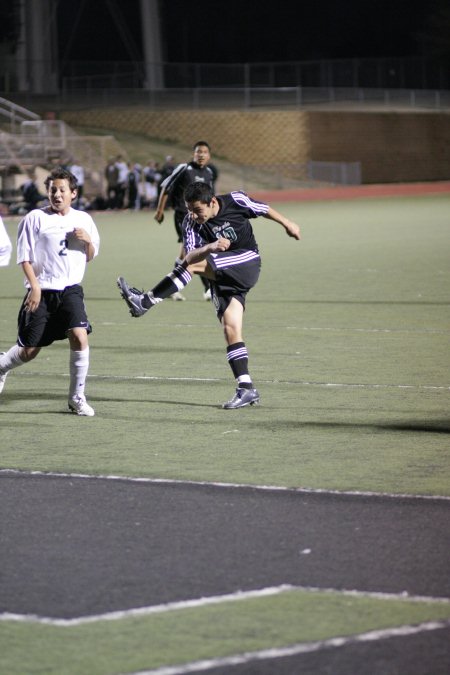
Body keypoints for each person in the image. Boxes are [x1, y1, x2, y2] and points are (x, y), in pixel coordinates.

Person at [117, 182, 300, 409]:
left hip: (246, 261)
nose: (193, 215)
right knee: (231, 327)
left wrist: (287, 223)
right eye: (189, 210)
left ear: (212, 202)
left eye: (197, 210)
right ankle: (246, 388)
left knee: (193, 270)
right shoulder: (190, 222)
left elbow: (262, 209)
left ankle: (144, 302)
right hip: (221, 271)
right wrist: (210, 247)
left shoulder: (235, 201)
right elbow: (190, 256)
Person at [0, 167, 100, 416]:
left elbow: (90, 256)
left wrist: (87, 240)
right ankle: (2, 366)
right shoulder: (35, 218)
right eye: (52, 189)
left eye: (62, 190)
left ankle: (76, 397)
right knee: (29, 350)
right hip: (42, 290)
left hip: (70, 290)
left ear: (73, 194)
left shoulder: (84, 219)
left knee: (79, 335)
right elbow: (24, 257)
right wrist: (34, 287)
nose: (56, 194)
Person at [154, 141, 217, 301]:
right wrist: (160, 210)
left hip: (202, 219)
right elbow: (166, 187)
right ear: (193, 154)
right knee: (193, 251)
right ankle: (204, 288)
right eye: (198, 152)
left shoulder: (209, 172)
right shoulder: (184, 169)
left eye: (204, 152)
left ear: (209, 155)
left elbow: (210, 197)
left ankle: (172, 287)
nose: (201, 155)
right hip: (184, 216)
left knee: (192, 253)